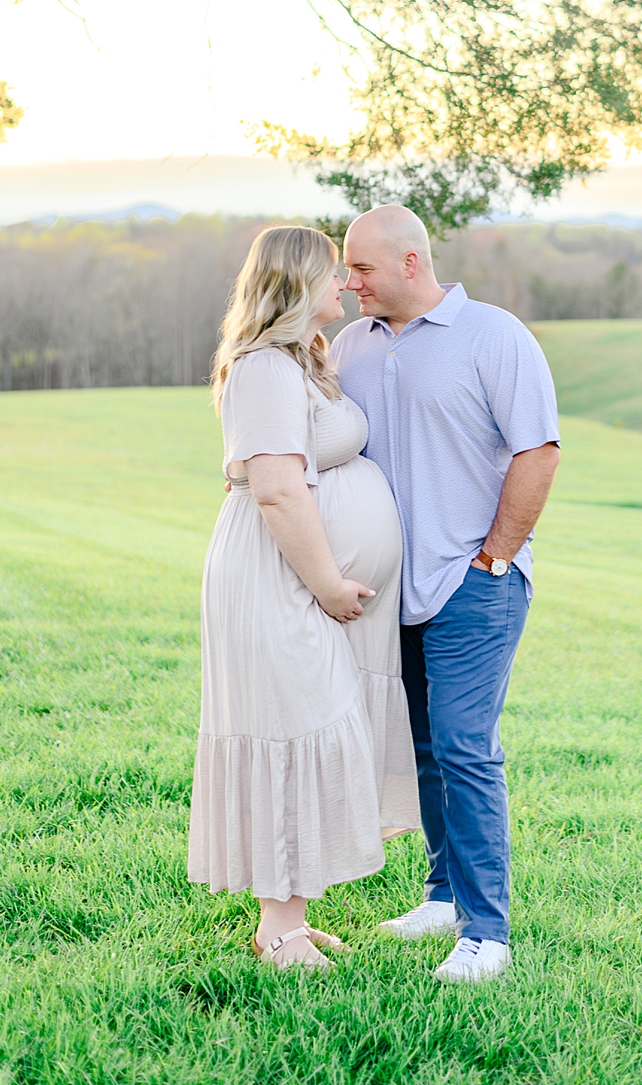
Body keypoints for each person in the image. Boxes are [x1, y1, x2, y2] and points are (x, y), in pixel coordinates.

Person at [332, 205, 562, 985]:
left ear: (409, 262)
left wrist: (494, 556)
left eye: (360, 267)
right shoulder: (350, 347)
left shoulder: (494, 335)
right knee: (423, 745)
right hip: (387, 589)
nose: (348, 281)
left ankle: (487, 932)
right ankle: (440, 893)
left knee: (465, 745)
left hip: (474, 580)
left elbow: (538, 449)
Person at [188, 224, 419, 969]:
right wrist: (327, 582)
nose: (347, 284)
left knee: (308, 733)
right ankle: (279, 931)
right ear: (295, 284)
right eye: (332, 273)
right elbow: (280, 490)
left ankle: (287, 917)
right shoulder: (261, 367)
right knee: (290, 733)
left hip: (297, 581)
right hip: (275, 579)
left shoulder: (302, 362)